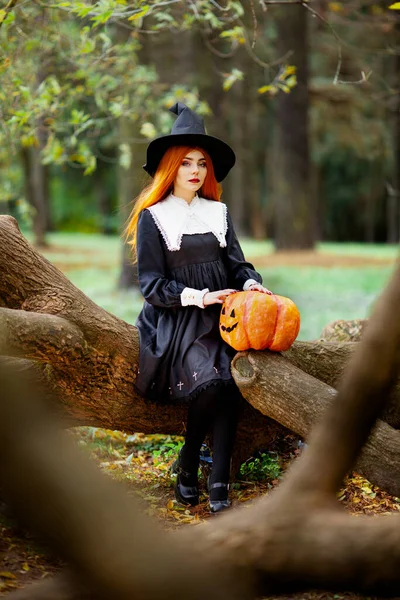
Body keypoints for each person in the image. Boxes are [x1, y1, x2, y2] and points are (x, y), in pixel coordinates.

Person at [126, 102, 271, 513]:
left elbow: (237, 264)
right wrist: (199, 297)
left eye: (202, 164)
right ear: (170, 168)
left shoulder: (218, 212)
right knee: (213, 384)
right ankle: (191, 462)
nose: (195, 171)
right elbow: (152, 285)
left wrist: (250, 284)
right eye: (186, 163)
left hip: (226, 317)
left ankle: (218, 481)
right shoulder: (154, 217)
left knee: (233, 386)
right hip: (179, 320)